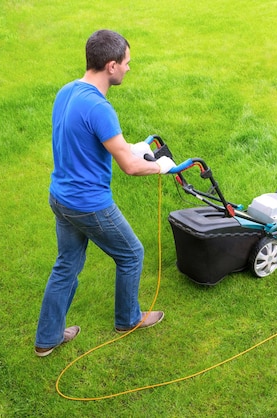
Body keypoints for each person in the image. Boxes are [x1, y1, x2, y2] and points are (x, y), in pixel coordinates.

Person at [35, 30, 177, 357]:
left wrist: (138, 147)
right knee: (131, 254)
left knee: (66, 265)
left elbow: (93, 143)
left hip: (60, 197)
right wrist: (162, 167)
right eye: (126, 63)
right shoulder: (100, 108)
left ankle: (47, 338)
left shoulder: (67, 91)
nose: (129, 68)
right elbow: (128, 166)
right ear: (111, 65)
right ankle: (128, 319)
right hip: (88, 204)